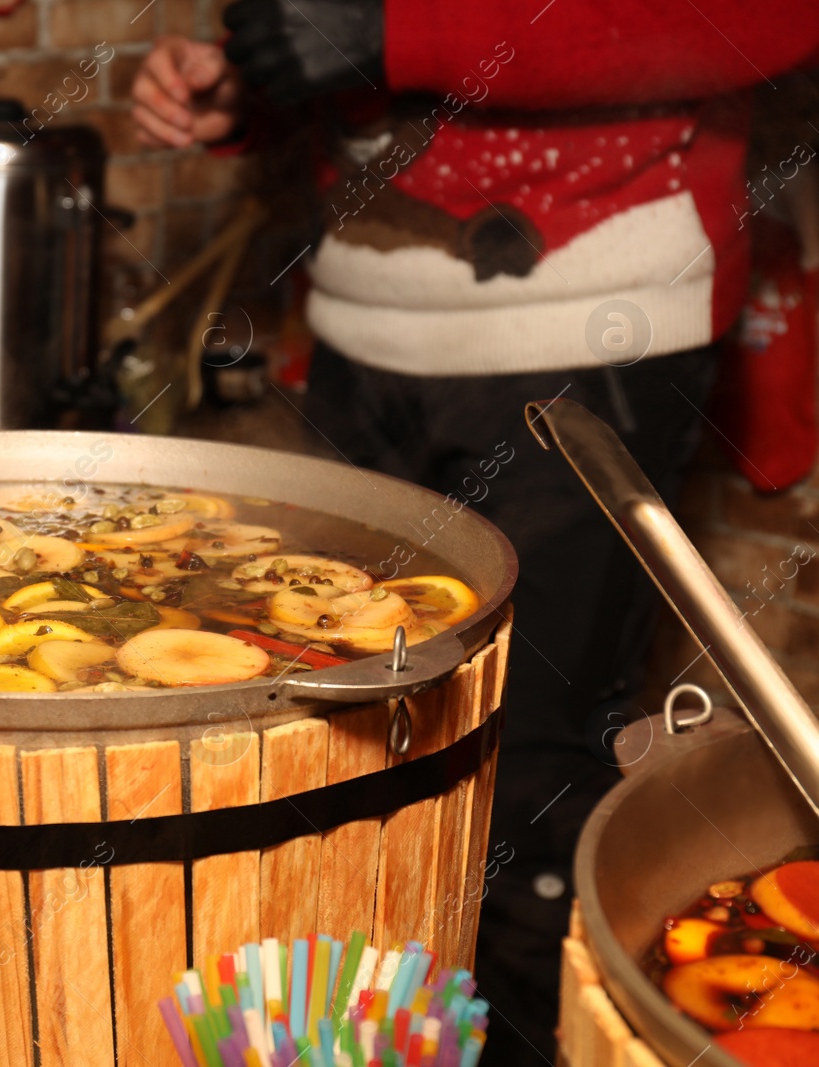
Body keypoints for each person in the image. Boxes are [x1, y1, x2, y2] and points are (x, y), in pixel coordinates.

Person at [133, 4, 819, 1062]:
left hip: (589, 341)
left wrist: (393, 35)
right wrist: (251, 89)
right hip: (361, 337)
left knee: (525, 780)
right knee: (343, 752)